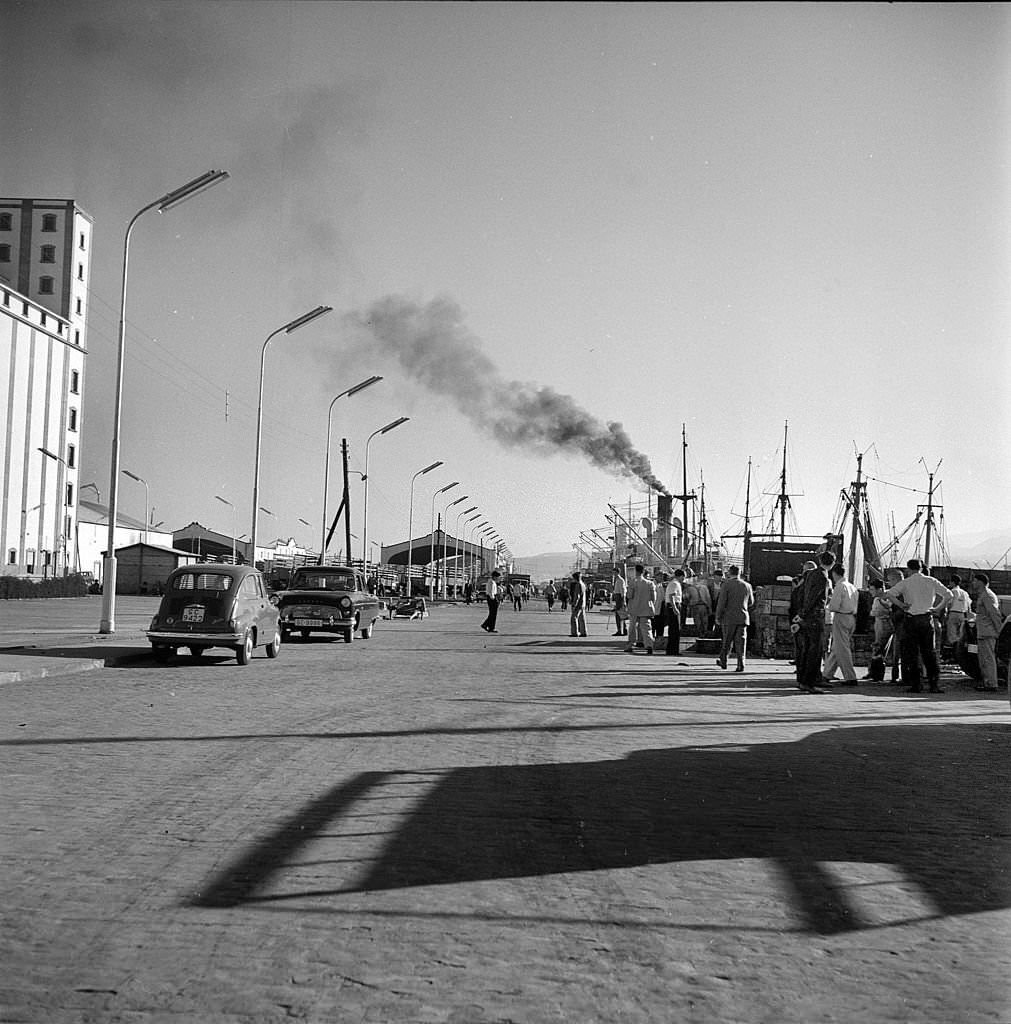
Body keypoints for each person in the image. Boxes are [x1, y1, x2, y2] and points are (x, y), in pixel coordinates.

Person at [884, 558, 951, 694]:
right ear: (921, 568)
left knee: (912, 653)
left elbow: (889, 594)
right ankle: (934, 684)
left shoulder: (906, 583)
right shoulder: (931, 581)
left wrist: (902, 605)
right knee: (930, 653)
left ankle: (916, 684)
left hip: (911, 618)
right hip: (927, 618)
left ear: (908, 569)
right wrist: (937, 608)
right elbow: (948, 595)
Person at [792, 551, 835, 693]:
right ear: (832, 563)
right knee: (815, 651)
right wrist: (804, 613)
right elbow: (814, 597)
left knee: (806, 650)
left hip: (807, 617)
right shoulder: (822, 577)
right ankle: (809, 682)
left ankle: (802, 679)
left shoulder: (810, 574)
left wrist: (800, 614)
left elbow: (802, 594)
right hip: (815, 616)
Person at [822, 564, 859, 686]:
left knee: (842, 648)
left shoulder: (839, 587)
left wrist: (827, 606)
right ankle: (827, 673)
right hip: (851, 617)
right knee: (837, 647)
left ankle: (850, 677)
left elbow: (834, 606)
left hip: (840, 616)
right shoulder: (852, 587)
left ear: (834, 574)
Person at [714, 564, 754, 672]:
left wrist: (718, 616)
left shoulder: (726, 585)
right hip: (743, 617)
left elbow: (721, 603)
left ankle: (724, 660)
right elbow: (751, 602)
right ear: (739, 573)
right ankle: (741, 664)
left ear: (729, 573)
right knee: (741, 642)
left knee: (727, 640)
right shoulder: (747, 586)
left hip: (729, 617)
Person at [971, 572, 1004, 692]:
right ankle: (987, 682)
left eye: (975, 581)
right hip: (983, 631)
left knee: (988, 658)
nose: (973, 583)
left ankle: (991, 683)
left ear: (980, 582)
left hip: (988, 632)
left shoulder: (988, 596)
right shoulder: (983, 595)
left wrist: (999, 630)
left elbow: (994, 614)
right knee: (984, 659)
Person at [625, 563, 658, 654]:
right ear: (643, 572)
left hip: (634, 609)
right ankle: (649, 645)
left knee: (632, 628)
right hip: (646, 609)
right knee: (647, 628)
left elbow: (629, 595)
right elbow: (653, 598)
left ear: (636, 571)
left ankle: (630, 645)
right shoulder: (650, 583)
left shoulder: (633, 582)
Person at [864, 578, 893, 681]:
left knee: (880, 648)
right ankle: (872, 671)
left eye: (872, 589)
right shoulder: (876, 599)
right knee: (876, 647)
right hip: (877, 623)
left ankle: (878, 673)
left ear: (879, 589)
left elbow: (888, 609)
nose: (870, 591)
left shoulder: (888, 597)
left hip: (884, 624)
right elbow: (873, 612)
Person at [944, 574, 971, 652]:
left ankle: (953, 651)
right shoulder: (965, 593)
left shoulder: (952, 591)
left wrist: (946, 614)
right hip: (963, 614)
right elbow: (969, 605)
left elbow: (949, 603)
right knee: (960, 634)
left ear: (953, 582)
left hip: (953, 613)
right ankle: (960, 651)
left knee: (952, 634)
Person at [665, 569, 684, 655]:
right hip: (674, 605)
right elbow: (671, 596)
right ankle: (673, 650)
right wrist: (675, 608)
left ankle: (673, 649)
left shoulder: (674, 583)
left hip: (674, 605)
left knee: (674, 628)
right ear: (680, 576)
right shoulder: (674, 584)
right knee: (675, 629)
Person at [480, 569, 502, 633]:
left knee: (492, 614)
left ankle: (486, 625)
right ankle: (490, 627)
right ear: (495, 576)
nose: (498, 578)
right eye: (498, 577)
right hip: (492, 598)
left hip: (491, 597)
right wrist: (494, 599)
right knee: (493, 614)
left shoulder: (491, 581)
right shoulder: (492, 582)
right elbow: (491, 591)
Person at [569, 571, 588, 637]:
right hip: (583, 604)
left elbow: (577, 596)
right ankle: (584, 632)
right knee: (582, 619)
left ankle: (575, 632)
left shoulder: (578, 585)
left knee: (574, 618)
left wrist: (574, 604)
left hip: (578, 604)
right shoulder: (583, 584)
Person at [612, 568, 628, 636]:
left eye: (615, 573)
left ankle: (621, 630)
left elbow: (623, 591)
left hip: (620, 598)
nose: (614, 574)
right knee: (619, 615)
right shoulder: (616, 580)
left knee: (620, 615)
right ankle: (622, 629)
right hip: (617, 597)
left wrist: (623, 600)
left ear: (618, 572)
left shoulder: (621, 580)